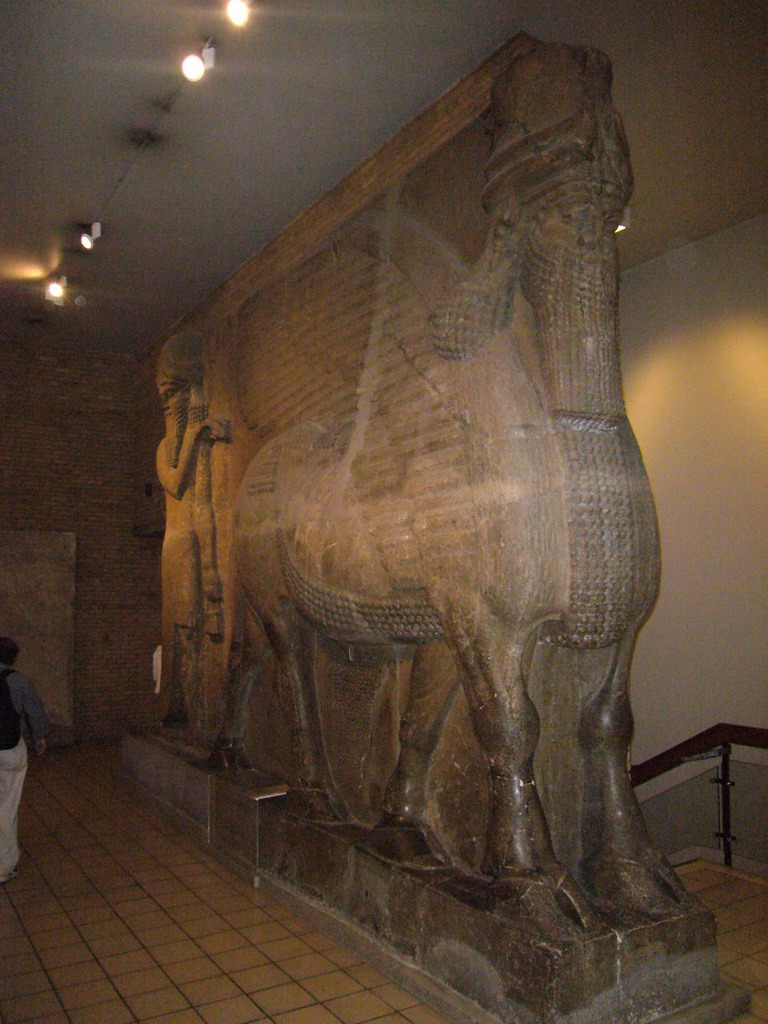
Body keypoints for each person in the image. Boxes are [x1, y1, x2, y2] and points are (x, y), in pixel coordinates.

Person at [156, 331, 231, 736]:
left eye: (177, 395)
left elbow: (204, 505)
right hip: (177, 548)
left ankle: (202, 712)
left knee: (201, 628)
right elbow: (175, 481)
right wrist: (193, 438)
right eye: (170, 399)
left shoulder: (195, 435)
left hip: (199, 542)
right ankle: (182, 710)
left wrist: (213, 567)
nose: (173, 404)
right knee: (184, 629)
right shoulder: (165, 447)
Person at [0, 636, 48, 883]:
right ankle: (4, 866)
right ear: (13, 657)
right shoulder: (19, 681)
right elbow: (35, 713)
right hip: (9, 750)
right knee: (7, 808)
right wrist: (39, 737)